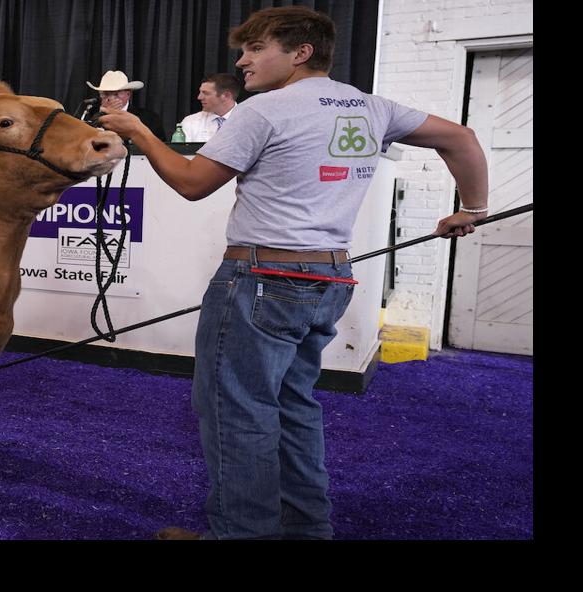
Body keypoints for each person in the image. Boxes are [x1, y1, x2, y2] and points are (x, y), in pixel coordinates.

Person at [97, 6, 489, 540]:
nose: (243, 61)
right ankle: (306, 530)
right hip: (328, 280)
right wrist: (473, 210)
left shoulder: (263, 111)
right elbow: (462, 138)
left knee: (237, 411)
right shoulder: (372, 106)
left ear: (300, 52)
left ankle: (241, 534)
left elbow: (193, 183)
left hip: (260, 280)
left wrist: (138, 130)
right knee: (292, 404)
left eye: (256, 49)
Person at [86, 70, 165, 140]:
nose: (111, 99)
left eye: (116, 94)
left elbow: (160, 146)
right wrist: (101, 114)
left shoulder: (149, 118)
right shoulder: (90, 114)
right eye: (106, 94)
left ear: (128, 94)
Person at [179, 74, 241, 143]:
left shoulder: (249, 121)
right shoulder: (191, 122)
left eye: (206, 93)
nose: (199, 97)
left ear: (226, 95)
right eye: (200, 92)